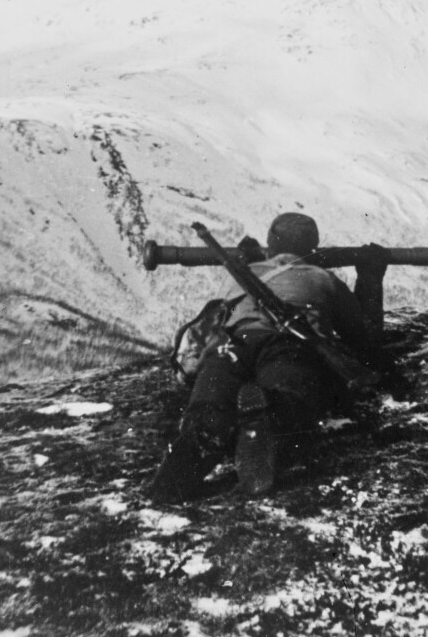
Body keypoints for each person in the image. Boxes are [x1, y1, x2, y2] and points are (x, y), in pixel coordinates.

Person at [146, 212, 389, 502]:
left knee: (209, 407)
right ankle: (268, 413)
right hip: (289, 346)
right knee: (291, 401)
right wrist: (371, 277)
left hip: (229, 346)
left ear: (270, 243)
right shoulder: (324, 279)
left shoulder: (239, 276)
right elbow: (366, 340)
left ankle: (196, 441)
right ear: (313, 247)